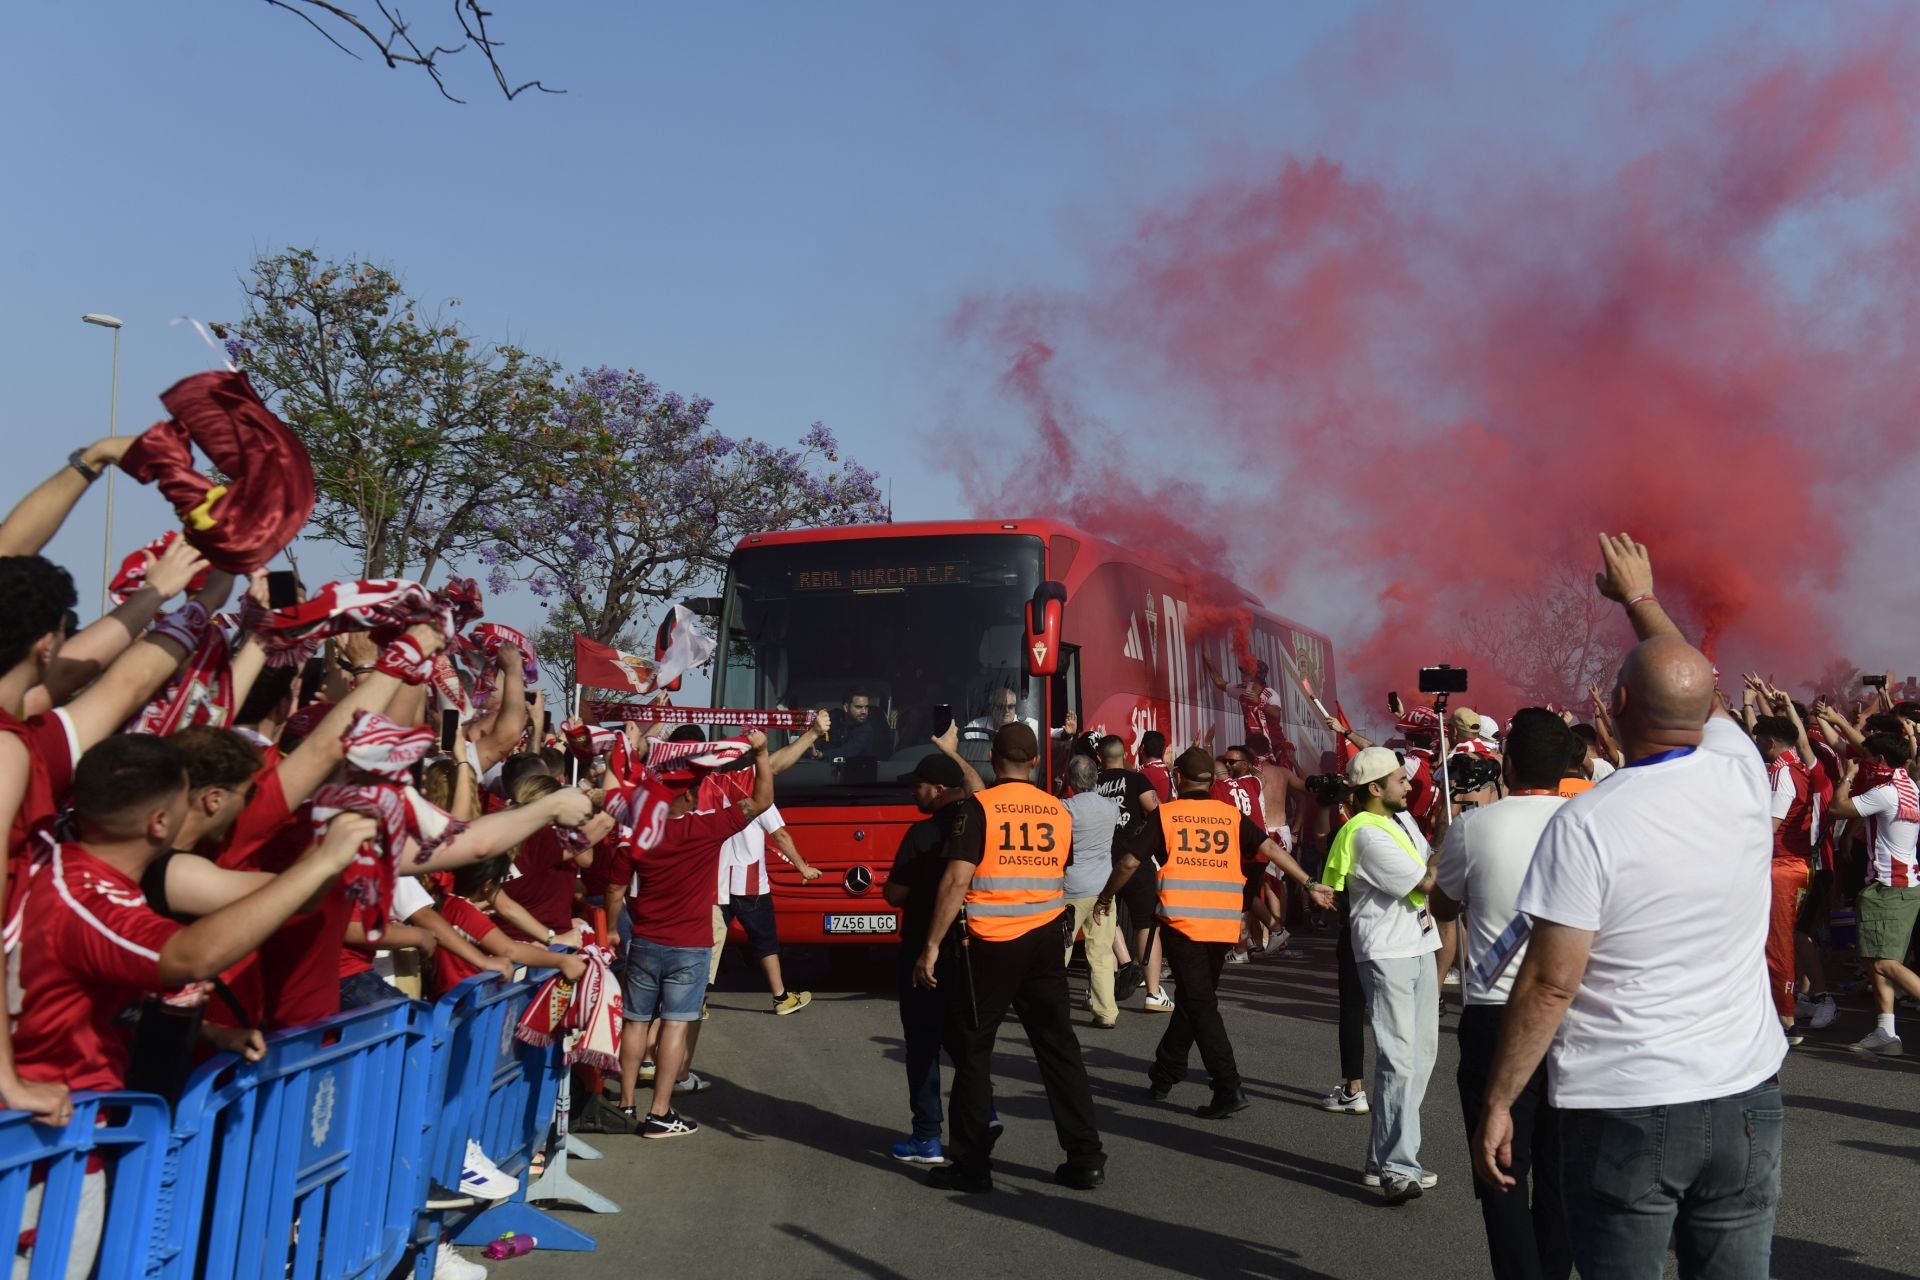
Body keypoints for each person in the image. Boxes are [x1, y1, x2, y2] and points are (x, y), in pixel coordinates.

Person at [1474, 533, 1787, 1279]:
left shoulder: (1588, 822)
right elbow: (1697, 688)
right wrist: (1641, 599)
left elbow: (1551, 982)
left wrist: (1500, 1100)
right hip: (1746, 1095)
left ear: (1614, 709)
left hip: (1625, 1105)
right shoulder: (1743, 774)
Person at [912, 723, 1104, 1193]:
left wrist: (931, 945)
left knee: (974, 1051)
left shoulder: (979, 809)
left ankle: (972, 1163)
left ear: (993, 758)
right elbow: (1058, 867)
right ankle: (1086, 1156)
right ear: (1036, 762)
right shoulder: (1059, 812)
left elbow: (957, 880)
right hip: (1043, 942)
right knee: (1059, 1048)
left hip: (990, 943)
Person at [1101, 746, 1332, 1118]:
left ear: (1177, 778)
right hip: (1222, 925)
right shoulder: (1229, 816)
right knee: (1197, 999)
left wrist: (1106, 896)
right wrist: (1308, 883)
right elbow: (1271, 848)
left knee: (1201, 1003)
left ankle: (1227, 1087)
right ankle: (1166, 1070)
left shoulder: (1167, 814)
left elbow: (1129, 860)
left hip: (1183, 924)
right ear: (1210, 779)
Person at [1430, 709, 1574, 1280]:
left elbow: (1442, 905)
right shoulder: (1588, 822)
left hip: (1496, 1013)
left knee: (1499, 1168)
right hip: (1574, 1014)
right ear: (1568, 766)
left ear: (1507, 763)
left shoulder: (1474, 825)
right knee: (1564, 1169)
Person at [617, 730, 774, 1138]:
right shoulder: (704, 829)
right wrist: (761, 752)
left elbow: (617, 887)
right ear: (688, 797)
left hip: (645, 940)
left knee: (634, 1022)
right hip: (689, 943)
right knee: (674, 1025)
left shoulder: (639, 835)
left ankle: (624, 1103)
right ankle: (660, 1113)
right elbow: (762, 802)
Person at [1320, 745, 1442, 1203]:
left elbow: (1432, 862)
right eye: (1400, 780)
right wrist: (1449, 847)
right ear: (1375, 788)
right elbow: (1426, 880)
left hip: (1421, 944)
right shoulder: (1365, 832)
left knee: (1422, 1057)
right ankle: (1397, 1167)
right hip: (1386, 952)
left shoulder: (1400, 820)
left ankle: (1382, 1158)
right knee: (1398, 1058)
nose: (1409, 785)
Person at [1825, 732, 1920, 1057]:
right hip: (1902, 886)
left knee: (1885, 962)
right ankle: (1885, 1030)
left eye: (1868, 757)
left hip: (1888, 888)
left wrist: (1848, 776)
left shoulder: (1887, 792)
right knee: (1872, 960)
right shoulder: (1909, 785)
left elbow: (1837, 809)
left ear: (1880, 761)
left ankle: (1886, 1030)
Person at [1751, 713, 1815, 1043]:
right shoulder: (1800, 766)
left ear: (1771, 743)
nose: (1756, 745)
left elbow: (1768, 828)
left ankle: (1787, 1021)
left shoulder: (1783, 772)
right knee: (1774, 942)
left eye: (1759, 740)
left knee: (1777, 944)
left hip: (1783, 869)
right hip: (1791, 865)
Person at [1060, 754, 1122, 1028]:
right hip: (1103, 889)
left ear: (1071, 780)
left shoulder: (1065, 808)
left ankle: (1052, 1008)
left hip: (1070, 889)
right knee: (1101, 952)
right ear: (1097, 778)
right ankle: (1106, 1012)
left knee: (1059, 951)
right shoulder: (1110, 807)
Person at [965, 685, 1078, 741]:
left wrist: (1067, 734)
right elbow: (960, 739)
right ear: (992, 707)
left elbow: (1052, 734)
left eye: (1010, 706)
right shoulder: (976, 726)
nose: (1006, 711)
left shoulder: (1027, 724)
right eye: (1001, 707)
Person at [829, 688, 892, 759]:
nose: (864, 712)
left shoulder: (866, 730)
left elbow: (846, 752)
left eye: (866, 707)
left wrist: (820, 754)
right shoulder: (834, 717)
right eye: (859, 707)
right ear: (846, 707)